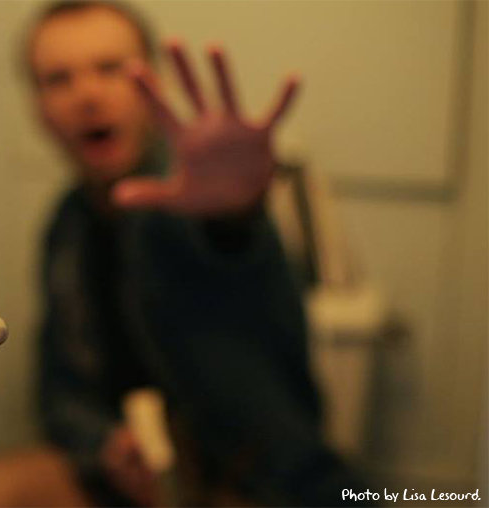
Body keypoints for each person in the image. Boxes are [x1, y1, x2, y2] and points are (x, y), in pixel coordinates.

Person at [22, 1, 369, 506]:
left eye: (111, 69)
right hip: (126, 480)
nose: (88, 95)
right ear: (38, 107)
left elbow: (235, 253)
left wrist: (236, 213)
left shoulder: (195, 203)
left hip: (258, 485)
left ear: (154, 84)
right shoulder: (67, 225)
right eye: (58, 79)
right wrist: (105, 445)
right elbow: (60, 390)